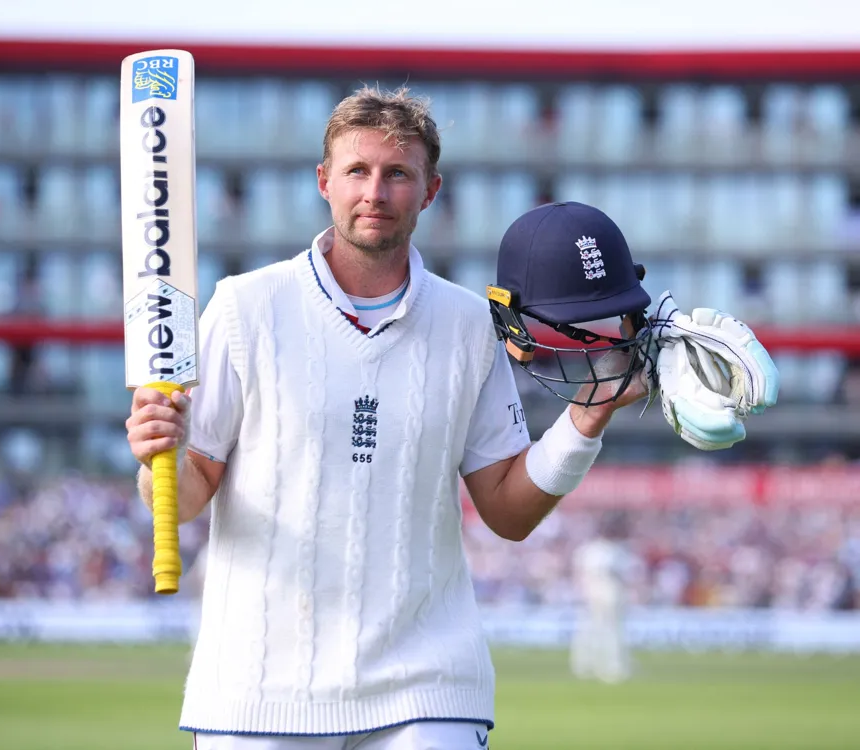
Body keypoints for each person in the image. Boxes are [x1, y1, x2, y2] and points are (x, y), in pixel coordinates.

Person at [126, 86, 652, 750]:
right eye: (357, 171)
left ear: (429, 190)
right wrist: (156, 462)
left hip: (429, 683)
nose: (375, 191)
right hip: (259, 687)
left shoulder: (469, 325)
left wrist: (589, 415)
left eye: (397, 173)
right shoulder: (243, 308)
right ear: (325, 182)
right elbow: (185, 496)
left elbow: (507, 512)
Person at [570, 511, 637, 684]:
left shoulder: (591, 549)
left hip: (595, 591)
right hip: (606, 590)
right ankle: (610, 668)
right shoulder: (611, 550)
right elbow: (620, 574)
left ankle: (588, 666)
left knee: (593, 628)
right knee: (607, 629)